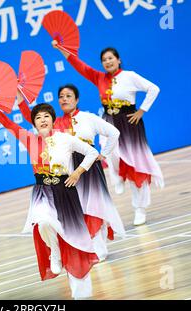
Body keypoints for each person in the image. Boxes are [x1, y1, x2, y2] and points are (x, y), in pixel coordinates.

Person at [0, 92, 101, 299]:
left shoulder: (66, 139)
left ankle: (81, 292)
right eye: (38, 117)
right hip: (42, 191)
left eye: (46, 116)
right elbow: (6, 122)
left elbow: (92, 153)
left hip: (65, 191)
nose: (43, 119)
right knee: (43, 222)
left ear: (53, 120)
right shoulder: (29, 139)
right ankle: (54, 252)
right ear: (34, 123)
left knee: (74, 240)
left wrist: (77, 172)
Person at [52, 41, 164, 226]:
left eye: (111, 58)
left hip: (130, 122)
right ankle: (118, 175)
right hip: (108, 119)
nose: (107, 62)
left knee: (137, 165)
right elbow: (80, 66)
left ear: (118, 60)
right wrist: (61, 49)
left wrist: (142, 110)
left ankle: (140, 208)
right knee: (108, 151)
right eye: (104, 60)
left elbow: (153, 89)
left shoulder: (130, 76)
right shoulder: (99, 78)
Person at [16, 85, 125, 261]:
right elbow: (29, 115)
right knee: (78, 208)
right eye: (61, 96)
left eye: (69, 96)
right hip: (67, 171)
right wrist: (18, 93)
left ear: (77, 99)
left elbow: (113, 133)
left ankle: (100, 246)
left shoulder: (88, 118)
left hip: (88, 169)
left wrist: (103, 154)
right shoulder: (55, 122)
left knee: (95, 206)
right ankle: (84, 247)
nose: (64, 99)